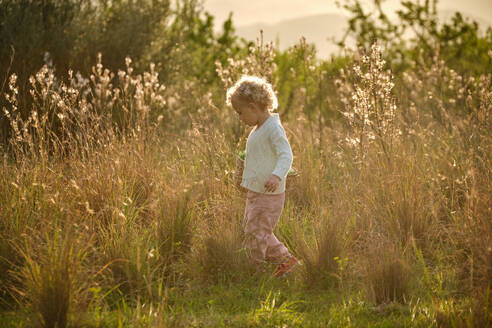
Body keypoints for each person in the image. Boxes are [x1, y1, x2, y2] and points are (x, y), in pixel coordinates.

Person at [226, 75, 300, 277]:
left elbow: (286, 155)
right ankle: (286, 261)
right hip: (257, 191)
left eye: (240, 113)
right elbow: (259, 159)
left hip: (269, 193)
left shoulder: (273, 128)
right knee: (253, 230)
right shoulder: (258, 129)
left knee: (257, 233)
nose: (240, 118)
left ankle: (254, 270)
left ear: (253, 107)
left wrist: (277, 176)